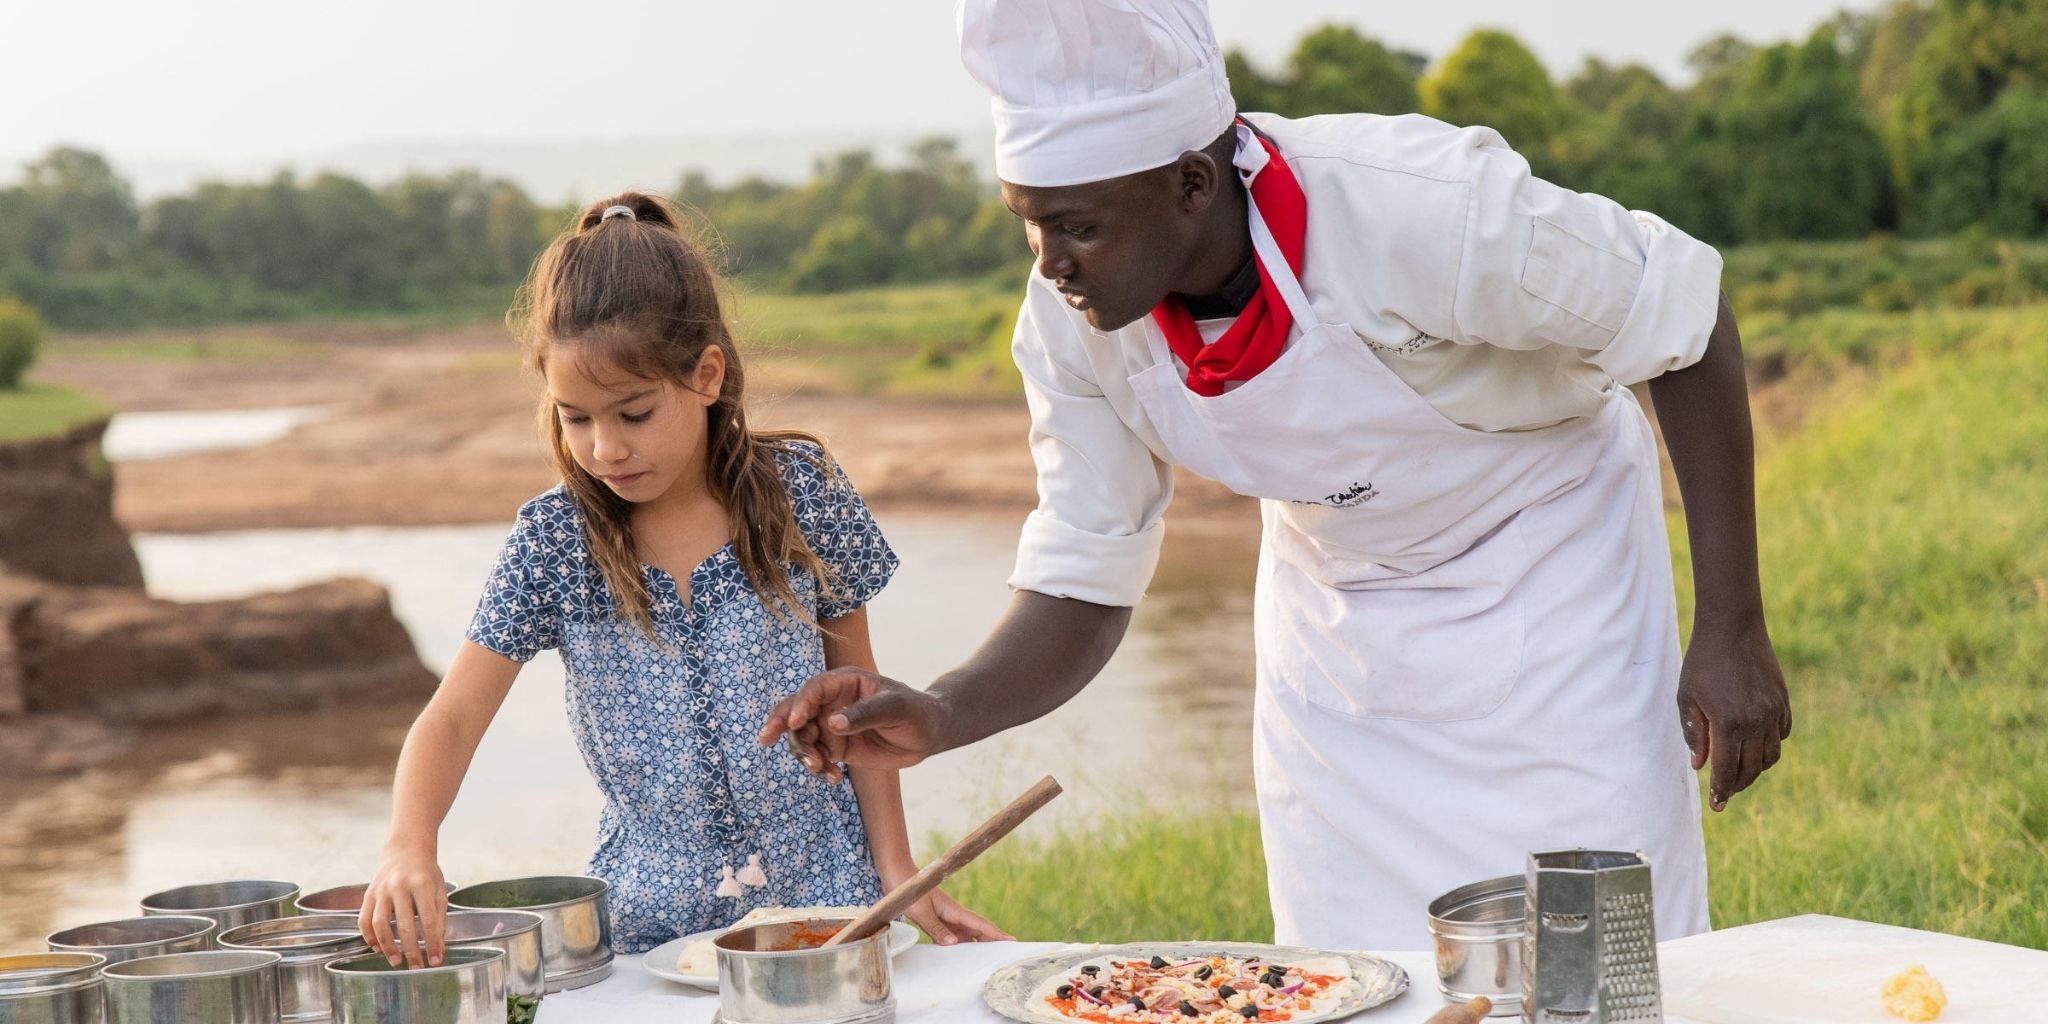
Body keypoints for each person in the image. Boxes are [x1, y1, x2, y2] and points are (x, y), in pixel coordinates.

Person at [761, 0, 1792, 951]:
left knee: (1598, 950)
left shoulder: (1414, 208)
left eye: (1076, 225)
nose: (1049, 262)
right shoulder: (1075, 329)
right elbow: (1086, 574)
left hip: (1551, 570)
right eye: (1028, 223)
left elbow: (1684, 324)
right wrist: (941, 712)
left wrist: (1731, 629)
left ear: (1190, 186)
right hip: (1339, 632)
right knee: (1356, 969)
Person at [359, 192, 1006, 968]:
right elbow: (453, 719)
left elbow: (859, 706)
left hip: (831, 912)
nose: (604, 448)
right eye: (575, 417)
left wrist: (899, 874)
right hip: (645, 936)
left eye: (632, 414)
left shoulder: (804, 494)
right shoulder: (555, 542)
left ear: (705, 376)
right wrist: (408, 843)